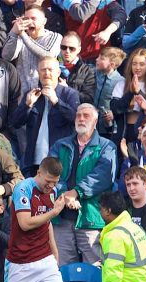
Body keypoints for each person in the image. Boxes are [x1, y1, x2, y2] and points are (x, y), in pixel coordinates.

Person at [48, 103, 117, 267]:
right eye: (78, 115)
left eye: (86, 116)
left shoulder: (107, 146)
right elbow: (50, 173)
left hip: (91, 218)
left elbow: (103, 176)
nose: (81, 119)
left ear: (95, 121)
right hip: (62, 218)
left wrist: (77, 192)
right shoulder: (60, 145)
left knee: (95, 270)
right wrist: (66, 195)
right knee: (63, 270)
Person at [11, 56, 80, 177]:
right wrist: (27, 105)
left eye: (50, 69)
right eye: (43, 70)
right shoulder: (32, 93)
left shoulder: (69, 94)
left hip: (59, 160)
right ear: (38, 72)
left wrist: (57, 102)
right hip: (33, 162)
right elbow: (16, 122)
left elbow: (75, 120)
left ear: (58, 72)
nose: (47, 73)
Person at [98, 191, 146, 282]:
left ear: (108, 211)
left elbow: (112, 276)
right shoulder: (135, 228)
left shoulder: (114, 236)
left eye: (101, 209)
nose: (100, 213)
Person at [1, 5, 63, 98]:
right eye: (26, 19)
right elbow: (7, 56)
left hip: (45, 94)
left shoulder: (55, 37)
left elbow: (47, 55)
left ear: (44, 21)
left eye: (33, 18)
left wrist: (22, 34)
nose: (29, 22)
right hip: (22, 96)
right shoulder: (20, 37)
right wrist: (13, 33)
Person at [111, 48, 146, 146]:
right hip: (123, 131)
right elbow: (116, 109)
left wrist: (138, 91)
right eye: (134, 64)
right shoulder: (121, 84)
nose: (137, 67)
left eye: (142, 64)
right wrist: (130, 92)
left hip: (145, 132)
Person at [94, 47, 126, 140]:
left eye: (101, 58)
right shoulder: (95, 73)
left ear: (111, 64)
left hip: (110, 127)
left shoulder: (120, 82)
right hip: (94, 123)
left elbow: (123, 105)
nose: (97, 59)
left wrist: (114, 113)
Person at [58, 31, 95, 105]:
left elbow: (88, 99)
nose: (67, 51)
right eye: (64, 47)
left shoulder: (88, 71)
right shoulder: (51, 65)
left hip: (76, 111)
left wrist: (68, 90)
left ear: (79, 49)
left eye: (72, 48)